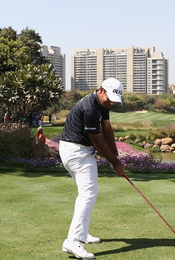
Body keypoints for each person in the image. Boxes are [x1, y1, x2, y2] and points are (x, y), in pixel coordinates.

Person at [59, 78, 125, 259]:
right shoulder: (90, 106)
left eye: (114, 100)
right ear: (102, 90)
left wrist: (116, 157)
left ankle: (81, 234)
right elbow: (97, 139)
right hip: (76, 152)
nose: (111, 103)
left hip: (74, 149)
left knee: (87, 194)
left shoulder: (102, 104)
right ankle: (72, 241)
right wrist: (114, 163)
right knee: (88, 194)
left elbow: (107, 130)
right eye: (109, 99)